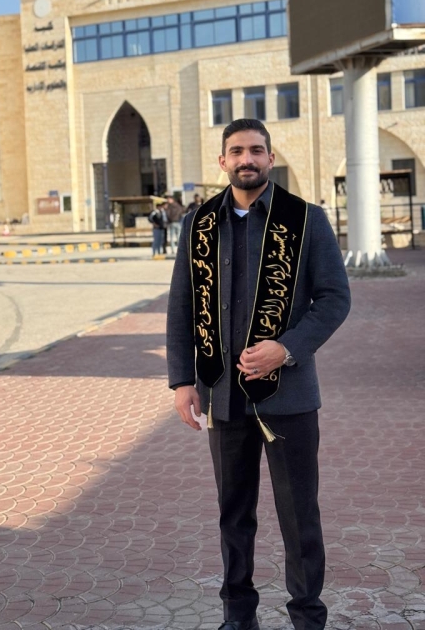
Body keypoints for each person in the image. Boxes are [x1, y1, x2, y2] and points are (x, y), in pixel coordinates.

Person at [167, 118, 350, 630]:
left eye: (255, 150)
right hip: (223, 395)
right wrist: (182, 381)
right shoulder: (199, 223)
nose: (246, 159)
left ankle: (307, 618)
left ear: (270, 158)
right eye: (236, 151)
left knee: (299, 516)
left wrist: (286, 349)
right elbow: (182, 305)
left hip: (288, 398)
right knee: (233, 515)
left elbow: (334, 298)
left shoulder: (306, 220)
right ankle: (238, 617)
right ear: (222, 161)